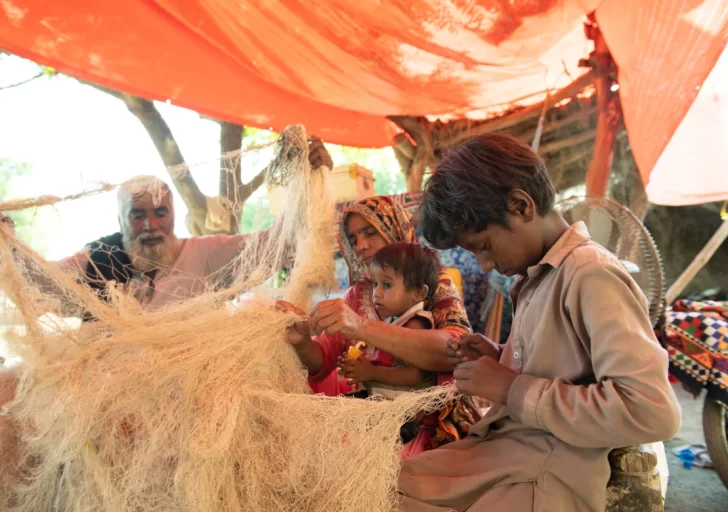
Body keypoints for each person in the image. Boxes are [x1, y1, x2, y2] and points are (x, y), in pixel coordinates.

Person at [398, 133, 681, 511]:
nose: (484, 264)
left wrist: (512, 388)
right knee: (383, 482)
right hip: (510, 452)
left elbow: (651, 410)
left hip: (547, 472)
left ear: (521, 205)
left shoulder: (590, 274)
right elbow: (566, 367)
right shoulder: (537, 277)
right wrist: (500, 356)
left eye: (483, 245)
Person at [0, 139, 333, 316]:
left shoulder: (204, 254)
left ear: (172, 214)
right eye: (138, 215)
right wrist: (5, 246)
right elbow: (42, 285)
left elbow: (275, 245)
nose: (151, 225)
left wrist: (306, 181)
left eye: (160, 212)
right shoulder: (97, 262)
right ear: (121, 221)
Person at [284, 196, 481, 447]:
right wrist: (302, 343)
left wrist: (360, 327)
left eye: (369, 233)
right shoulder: (358, 295)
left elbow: (454, 350)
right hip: (380, 427)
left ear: (395, 230)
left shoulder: (433, 285)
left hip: (432, 428)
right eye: (353, 239)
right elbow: (322, 362)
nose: (360, 246)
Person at [314, 242, 440, 457]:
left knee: (344, 433)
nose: (377, 293)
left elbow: (416, 374)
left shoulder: (416, 324)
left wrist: (371, 373)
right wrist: (358, 369)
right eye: (375, 284)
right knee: (333, 415)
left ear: (419, 293)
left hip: (402, 419)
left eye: (387, 285)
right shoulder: (396, 320)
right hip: (384, 406)